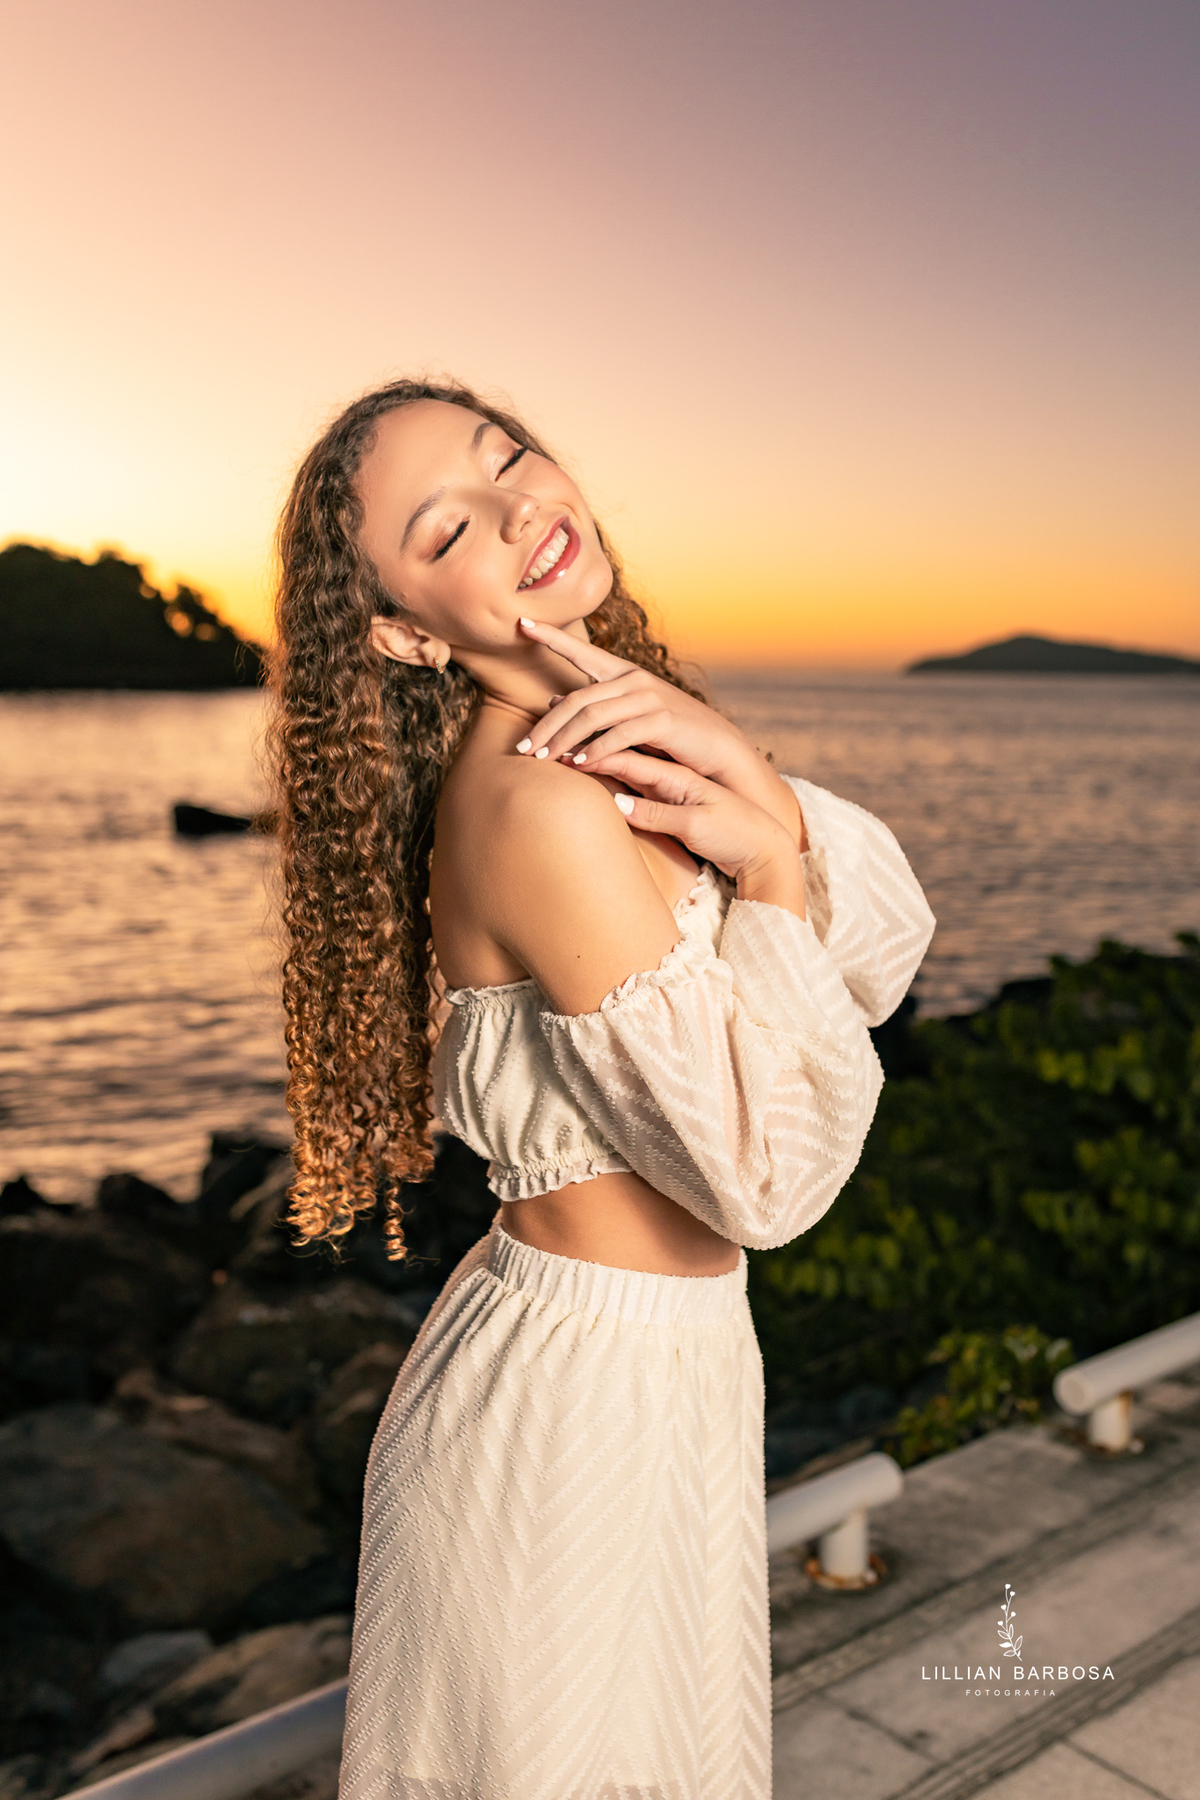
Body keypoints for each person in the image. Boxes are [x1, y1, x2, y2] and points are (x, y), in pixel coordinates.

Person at [269, 377, 935, 1800]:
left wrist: (760, 795)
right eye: (452, 527)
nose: (520, 511)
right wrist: (762, 863)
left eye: (511, 457)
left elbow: (886, 941)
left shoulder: (614, 729)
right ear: (399, 631)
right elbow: (766, 1178)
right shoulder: (543, 805)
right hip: (572, 1414)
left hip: (668, 1369)